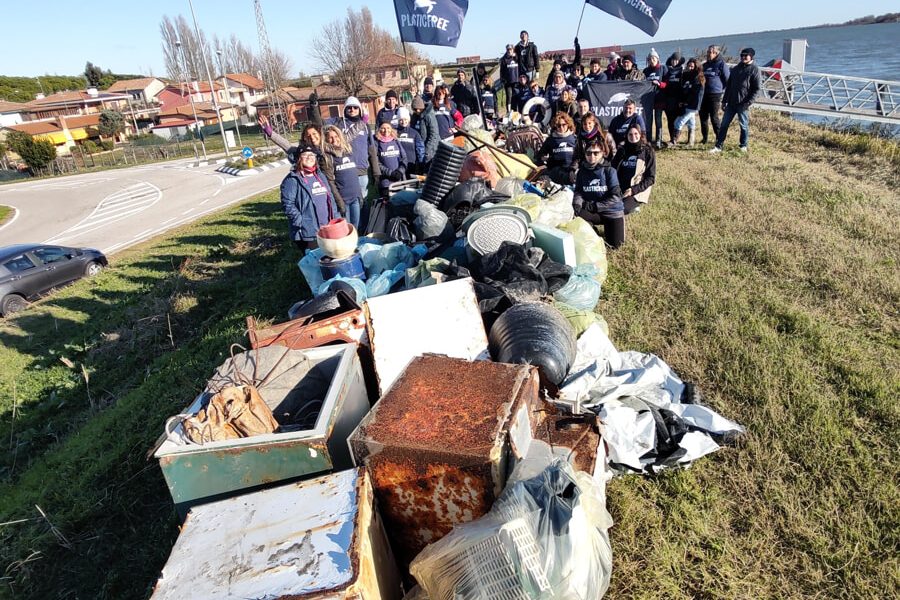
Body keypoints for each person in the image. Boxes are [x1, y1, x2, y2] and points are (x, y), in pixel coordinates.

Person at [258, 114, 346, 217]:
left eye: (314, 133)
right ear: (304, 139)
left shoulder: (330, 149)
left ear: (320, 134)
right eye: (308, 136)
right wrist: (270, 133)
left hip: (339, 190)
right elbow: (287, 145)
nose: (312, 137)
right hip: (317, 193)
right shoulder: (303, 155)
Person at [280, 145, 339, 250]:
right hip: (308, 233)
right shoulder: (292, 180)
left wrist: (335, 217)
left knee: (330, 258)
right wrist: (301, 222)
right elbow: (288, 205)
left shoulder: (320, 175)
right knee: (316, 262)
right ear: (298, 158)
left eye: (312, 155)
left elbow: (330, 198)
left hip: (328, 227)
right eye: (305, 155)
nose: (309, 157)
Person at [572, 137, 624, 249]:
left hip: (611, 212)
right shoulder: (581, 171)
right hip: (593, 212)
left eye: (596, 153)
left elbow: (616, 197)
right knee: (575, 215)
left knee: (615, 246)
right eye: (589, 153)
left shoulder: (610, 171)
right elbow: (578, 192)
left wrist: (595, 206)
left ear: (603, 153)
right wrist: (577, 204)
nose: (592, 156)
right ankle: (592, 231)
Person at [711, 47, 762, 153]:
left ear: (751, 56)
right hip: (731, 102)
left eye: (746, 55)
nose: (743, 57)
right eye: (742, 55)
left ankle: (743, 145)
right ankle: (718, 146)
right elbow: (729, 86)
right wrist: (724, 100)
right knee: (724, 124)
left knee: (743, 125)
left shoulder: (754, 69)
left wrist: (748, 102)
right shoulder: (736, 68)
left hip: (743, 103)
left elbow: (756, 89)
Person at [334, 96, 379, 200]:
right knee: (350, 201)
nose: (352, 110)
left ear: (360, 109)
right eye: (349, 107)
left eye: (355, 107)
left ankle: (364, 217)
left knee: (363, 199)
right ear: (345, 109)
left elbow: (372, 150)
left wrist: (376, 172)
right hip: (345, 170)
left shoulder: (366, 126)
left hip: (362, 170)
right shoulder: (339, 125)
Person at [322, 126, 363, 229]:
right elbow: (330, 182)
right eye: (330, 137)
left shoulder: (348, 151)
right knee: (345, 230)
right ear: (326, 140)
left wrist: (359, 195)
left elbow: (354, 176)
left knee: (355, 229)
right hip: (343, 200)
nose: (334, 139)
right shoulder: (328, 157)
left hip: (355, 198)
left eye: (336, 136)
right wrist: (339, 202)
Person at [612, 123, 656, 215]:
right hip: (619, 187)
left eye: (636, 134)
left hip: (636, 189)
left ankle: (635, 205)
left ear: (640, 135)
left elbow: (650, 178)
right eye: (630, 134)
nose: (633, 136)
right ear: (627, 135)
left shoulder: (648, 151)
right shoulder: (622, 150)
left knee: (620, 209)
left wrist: (633, 190)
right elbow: (612, 169)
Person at [700, 45, 731, 145]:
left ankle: (719, 139)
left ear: (716, 53)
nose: (708, 54)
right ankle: (705, 138)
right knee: (703, 117)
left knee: (714, 117)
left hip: (715, 94)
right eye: (708, 52)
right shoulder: (705, 65)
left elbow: (727, 80)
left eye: (711, 52)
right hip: (704, 94)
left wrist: (723, 91)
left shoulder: (721, 64)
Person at [671, 58, 705, 147]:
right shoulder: (686, 76)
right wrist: (682, 101)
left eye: (692, 66)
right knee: (691, 123)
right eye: (689, 66)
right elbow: (684, 90)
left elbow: (697, 94)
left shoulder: (699, 78)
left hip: (693, 105)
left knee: (678, 122)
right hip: (686, 103)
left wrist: (689, 103)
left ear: (696, 67)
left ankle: (674, 141)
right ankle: (691, 142)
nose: (690, 68)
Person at [537, 112, 577, 185]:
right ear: (555, 126)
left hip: (571, 170)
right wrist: (544, 158)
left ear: (568, 124)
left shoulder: (574, 139)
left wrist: (573, 169)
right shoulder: (551, 140)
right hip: (556, 171)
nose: (561, 128)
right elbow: (540, 155)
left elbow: (579, 157)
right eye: (559, 125)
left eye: (564, 125)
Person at [642, 48, 668, 147]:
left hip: (659, 98)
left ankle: (658, 140)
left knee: (658, 120)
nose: (652, 61)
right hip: (648, 100)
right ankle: (648, 139)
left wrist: (659, 84)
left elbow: (667, 84)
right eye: (650, 59)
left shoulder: (662, 69)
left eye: (653, 59)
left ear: (657, 59)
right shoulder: (646, 70)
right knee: (648, 120)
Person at [374, 122, 407, 197]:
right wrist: (390, 173)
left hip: (399, 179)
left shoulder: (396, 140)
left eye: (388, 128)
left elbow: (404, 158)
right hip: (386, 182)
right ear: (379, 129)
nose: (386, 130)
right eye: (383, 128)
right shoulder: (376, 142)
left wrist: (400, 171)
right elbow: (376, 162)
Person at [662, 52, 685, 145]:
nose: (674, 62)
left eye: (676, 60)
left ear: (679, 61)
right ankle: (672, 138)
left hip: (678, 99)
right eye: (673, 60)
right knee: (670, 119)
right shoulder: (667, 70)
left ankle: (676, 138)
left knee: (678, 120)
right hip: (668, 99)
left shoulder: (682, 71)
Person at [411, 96, 438, 168]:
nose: (417, 111)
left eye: (419, 109)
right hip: (419, 148)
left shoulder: (429, 116)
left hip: (429, 149)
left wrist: (427, 150)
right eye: (415, 109)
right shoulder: (414, 117)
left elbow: (434, 134)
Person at [396, 107, 425, 175]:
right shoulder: (395, 132)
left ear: (408, 119)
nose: (403, 122)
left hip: (411, 163)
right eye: (401, 120)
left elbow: (420, 149)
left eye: (405, 119)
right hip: (398, 163)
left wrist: (421, 163)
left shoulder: (415, 133)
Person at [499, 44, 520, 113]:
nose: (509, 51)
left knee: (516, 96)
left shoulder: (517, 57)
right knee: (509, 97)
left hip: (516, 80)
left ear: (513, 50)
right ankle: (508, 111)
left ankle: (516, 110)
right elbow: (501, 71)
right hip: (508, 82)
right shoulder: (504, 59)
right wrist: (502, 79)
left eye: (510, 49)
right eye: (508, 49)